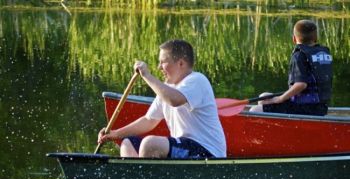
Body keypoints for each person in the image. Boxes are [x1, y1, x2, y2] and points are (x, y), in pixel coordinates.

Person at [98, 39, 226, 158]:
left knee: (150, 144)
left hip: (207, 152)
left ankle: (146, 178)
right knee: (128, 143)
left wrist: (147, 76)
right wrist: (115, 134)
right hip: (184, 146)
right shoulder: (167, 88)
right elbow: (149, 120)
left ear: (181, 63)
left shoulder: (197, 80)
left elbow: (174, 100)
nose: (159, 67)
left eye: (163, 62)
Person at [249, 19, 333, 116]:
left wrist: (280, 99)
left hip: (305, 108)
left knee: (254, 110)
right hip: (321, 107)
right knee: (264, 97)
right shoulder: (324, 53)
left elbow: (301, 85)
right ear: (316, 37)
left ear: (294, 39)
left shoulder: (299, 55)